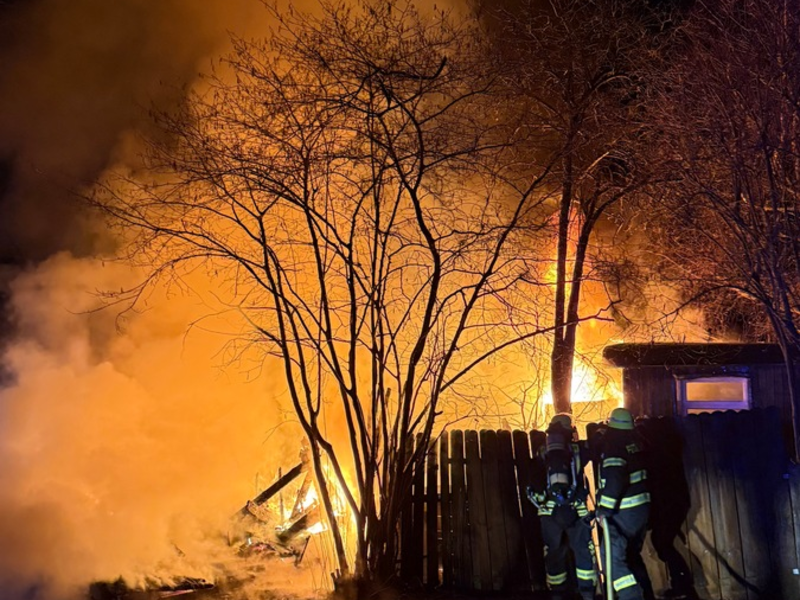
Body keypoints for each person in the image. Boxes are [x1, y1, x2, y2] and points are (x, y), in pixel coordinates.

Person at [528, 413, 597, 600]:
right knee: (582, 549)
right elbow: (596, 449)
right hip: (576, 510)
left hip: (549, 513)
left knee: (554, 552)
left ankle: (557, 594)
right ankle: (587, 592)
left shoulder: (543, 451)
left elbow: (534, 479)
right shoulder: (578, 450)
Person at [595, 407, 652, 600]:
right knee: (631, 557)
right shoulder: (635, 443)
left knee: (611, 559)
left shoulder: (614, 447)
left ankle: (632, 597)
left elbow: (615, 480)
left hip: (623, 513)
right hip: (640, 512)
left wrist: (604, 509)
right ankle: (646, 595)